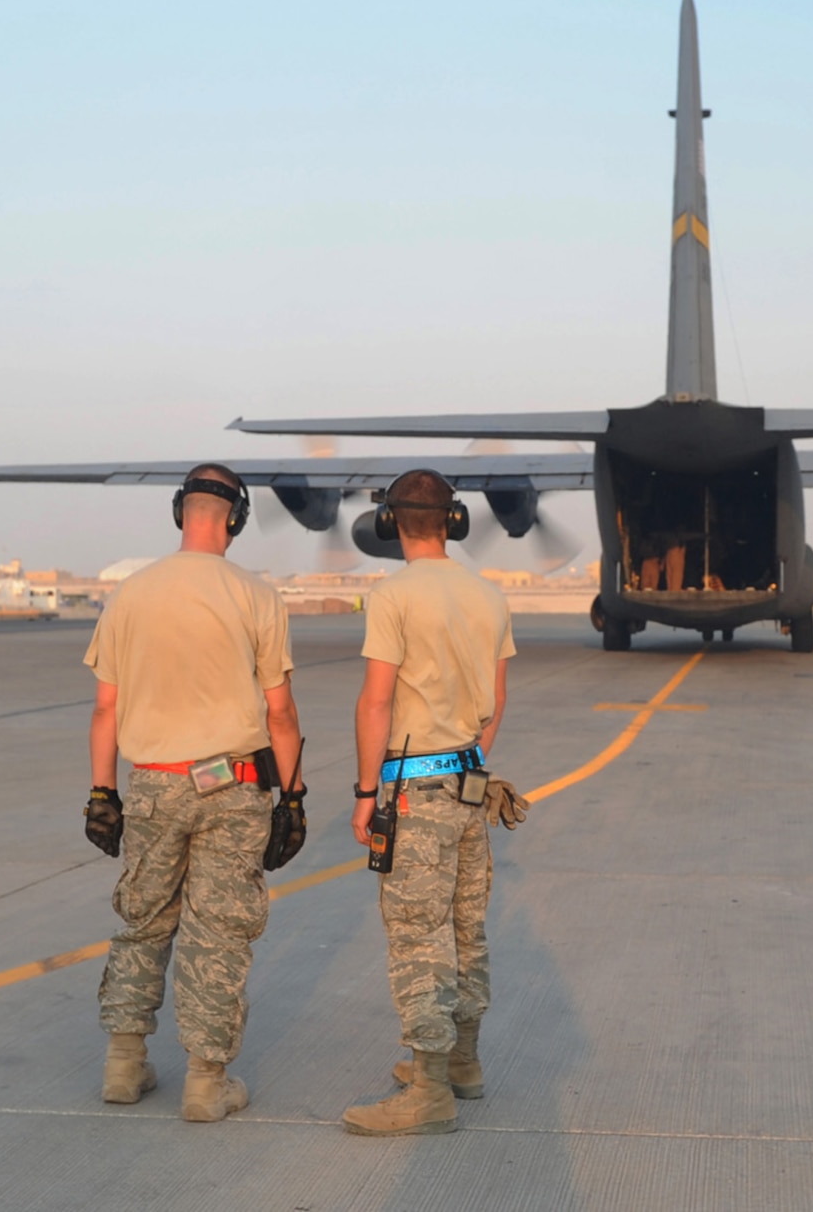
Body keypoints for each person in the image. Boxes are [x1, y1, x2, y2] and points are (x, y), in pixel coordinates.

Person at [79, 462, 302, 1123]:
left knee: (143, 921)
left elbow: (105, 709)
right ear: (236, 518)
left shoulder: (130, 594)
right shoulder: (256, 596)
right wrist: (292, 799)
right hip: (233, 785)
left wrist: (101, 793)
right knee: (219, 932)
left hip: (153, 783)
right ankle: (206, 1082)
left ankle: (123, 1065)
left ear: (181, 511)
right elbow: (282, 713)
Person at [343, 468, 528, 1137]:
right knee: (464, 927)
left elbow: (376, 701)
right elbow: (496, 700)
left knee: (419, 934)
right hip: (470, 782)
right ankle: (462, 1061)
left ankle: (427, 1091)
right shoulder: (489, 596)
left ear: (390, 522)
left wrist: (368, 793)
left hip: (413, 789)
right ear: (454, 521)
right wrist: (466, 756)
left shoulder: (392, 595)